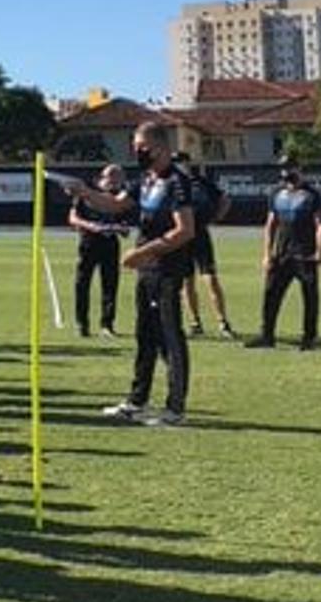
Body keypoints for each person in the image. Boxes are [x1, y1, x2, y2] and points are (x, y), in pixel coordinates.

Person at [94, 122, 195, 426]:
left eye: (143, 147)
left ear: (161, 148)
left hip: (166, 268)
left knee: (169, 336)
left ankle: (175, 408)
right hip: (146, 271)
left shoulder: (176, 182)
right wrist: (84, 192)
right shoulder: (145, 180)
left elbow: (185, 230)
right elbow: (115, 204)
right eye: (135, 147)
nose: (137, 153)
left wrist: (143, 252)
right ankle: (137, 399)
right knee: (145, 336)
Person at [248, 159, 321, 350]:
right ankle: (267, 335)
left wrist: (320, 250)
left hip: (305, 254)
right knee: (271, 293)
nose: (287, 173)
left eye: (290, 168)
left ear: (299, 169)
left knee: (310, 296)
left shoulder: (312, 194)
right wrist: (267, 253)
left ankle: (309, 337)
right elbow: (270, 224)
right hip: (281, 253)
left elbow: (320, 224)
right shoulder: (276, 193)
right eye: (283, 169)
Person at [177, 151, 237, 339]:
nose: (179, 165)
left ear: (188, 163)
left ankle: (223, 322)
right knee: (187, 281)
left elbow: (224, 198)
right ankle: (195, 323)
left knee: (210, 279)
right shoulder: (172, 183)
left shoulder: (200, 182)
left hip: (200, 234)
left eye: (181, 162)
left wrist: (218, 216)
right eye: (176, 162)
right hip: (181, 236)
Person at [67, 164, 123, 340]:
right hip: (89, 242)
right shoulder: (86, 194)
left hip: (110, 243)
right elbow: (73, 217)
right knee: (82, 283)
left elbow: (126, 221)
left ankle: (107, 324)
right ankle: (81, 323)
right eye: (110, 177)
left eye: (117, 178)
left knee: (110, 284)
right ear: (102, 177)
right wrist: (90, 226)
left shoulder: (121, 198)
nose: (113, 181)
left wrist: (121, 228)